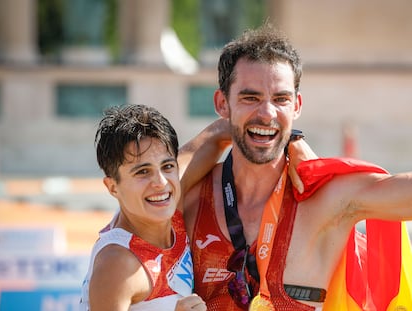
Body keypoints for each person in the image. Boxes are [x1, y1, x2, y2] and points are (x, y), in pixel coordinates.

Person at [183, 23, 412, 311]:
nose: (267, 113)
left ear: (297, 106)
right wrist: (215, 135)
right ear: (222, 103)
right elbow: (125, 227)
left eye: (281, 99)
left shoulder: (328, 199)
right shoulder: (192, 199)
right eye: (250, 98)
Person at [79, 104, 232, 311]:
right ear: (113, 187)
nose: (161, 182)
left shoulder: (167, 202)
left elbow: (219, 133)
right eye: (142, 172)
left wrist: (291, 146)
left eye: (167, 166)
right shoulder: (118, 263)